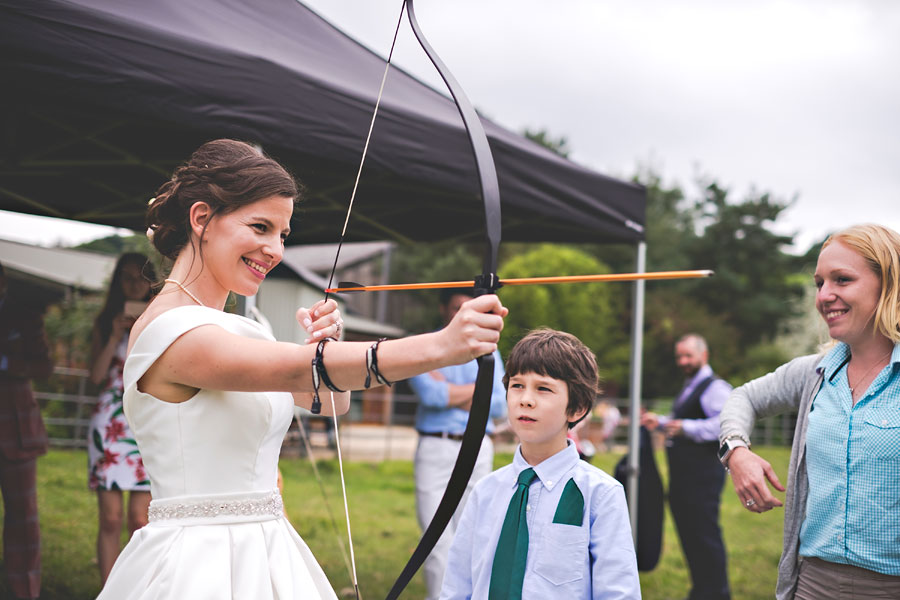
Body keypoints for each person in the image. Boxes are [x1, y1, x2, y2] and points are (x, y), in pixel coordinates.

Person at [96, 139, 507, 599]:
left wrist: (325, 347)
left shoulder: (243, 326)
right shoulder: (168, 331)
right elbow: (304, 373)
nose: (275, 249)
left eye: (283, 235)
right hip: (197, 559)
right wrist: (442, 346)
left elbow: (330, 399)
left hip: (268, 545)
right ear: (201, 219)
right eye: (260, 226)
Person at [719, 223, 900, 600]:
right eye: (820, 283)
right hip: (812, 584)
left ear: (889, 284)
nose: (824, 296)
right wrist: (736, 451)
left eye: (842, 280)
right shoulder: (813, 373)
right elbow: (743, 398)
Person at [440, 328, 640, 599]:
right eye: (517, 386)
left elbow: (618, 592)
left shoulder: (601, 495)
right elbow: (456, 586)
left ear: (577, 408)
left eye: (543, 388)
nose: (526, 400)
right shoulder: (485, 491)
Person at [408, 287, 507, 600]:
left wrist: (451, 390)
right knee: (435, 539)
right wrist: (478, 390)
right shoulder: (426, 345)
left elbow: (500, 405)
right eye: (456, 308)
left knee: (472, 534)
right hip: (436, 447)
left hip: (478, 447)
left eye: (470, 307)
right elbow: (431, 396)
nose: (463, 314)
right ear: (444, 310)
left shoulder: (489, 349)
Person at [641, 333, 732, 600]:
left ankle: (716, 592)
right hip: (685, 480)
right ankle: (701, 590)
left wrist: (685, 428)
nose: (683, 361)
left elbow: (726, 423)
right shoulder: (691, 385)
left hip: (702, 479)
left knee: (704, 538)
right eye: (679, 356)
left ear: (704, 356)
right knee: (691, 538)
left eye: (688, 356)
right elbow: (682, 418)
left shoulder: (715, 387)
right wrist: (658, 421)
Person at [87, 252, 157, 584]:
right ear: (118, 283)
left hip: (145, 421)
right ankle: (108, 590)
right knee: (111, 518)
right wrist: (115, 334)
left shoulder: (159, 320)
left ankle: (136, 590)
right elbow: (96, 377)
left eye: (141, 277)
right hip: (109, 424)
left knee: (141, 520)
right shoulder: (105, 322)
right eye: (127, 278)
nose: (134, 285)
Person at [0, 261, 54, 600]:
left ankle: (25, 592)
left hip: (15, 432)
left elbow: (44, 367)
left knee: (22, 519)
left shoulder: (24, 317)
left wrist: (5, 364)